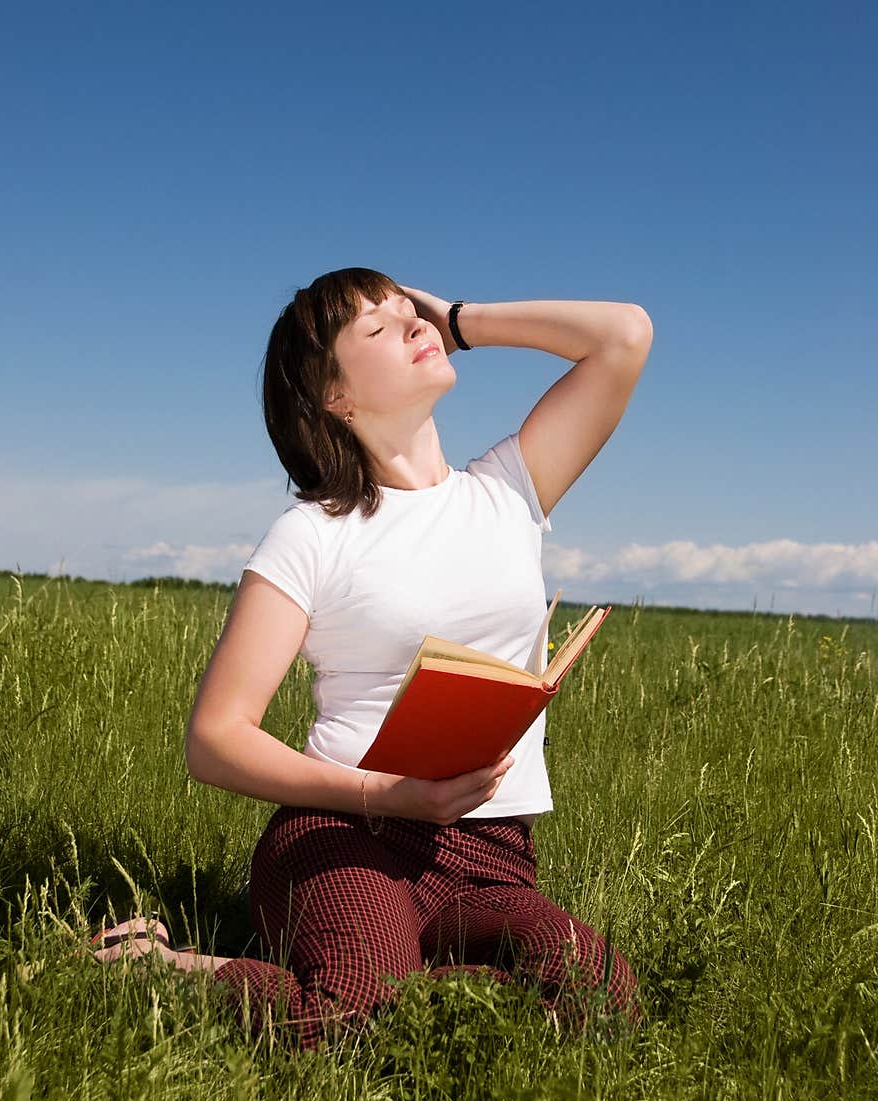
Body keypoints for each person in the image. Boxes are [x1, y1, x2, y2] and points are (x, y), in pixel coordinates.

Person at [97, 268, 653, 1052]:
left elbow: (623, 335)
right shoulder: (313, 534)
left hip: (491, 854)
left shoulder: (509, 492)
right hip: (345, 832)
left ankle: (421, 984)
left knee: (596, 995)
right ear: (335, 397)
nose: (412, 325)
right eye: (380, 329)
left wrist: (459, 320)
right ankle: (159, 965)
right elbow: (215, 738)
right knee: (355, 1012)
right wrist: (388, 794)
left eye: (411, 312)